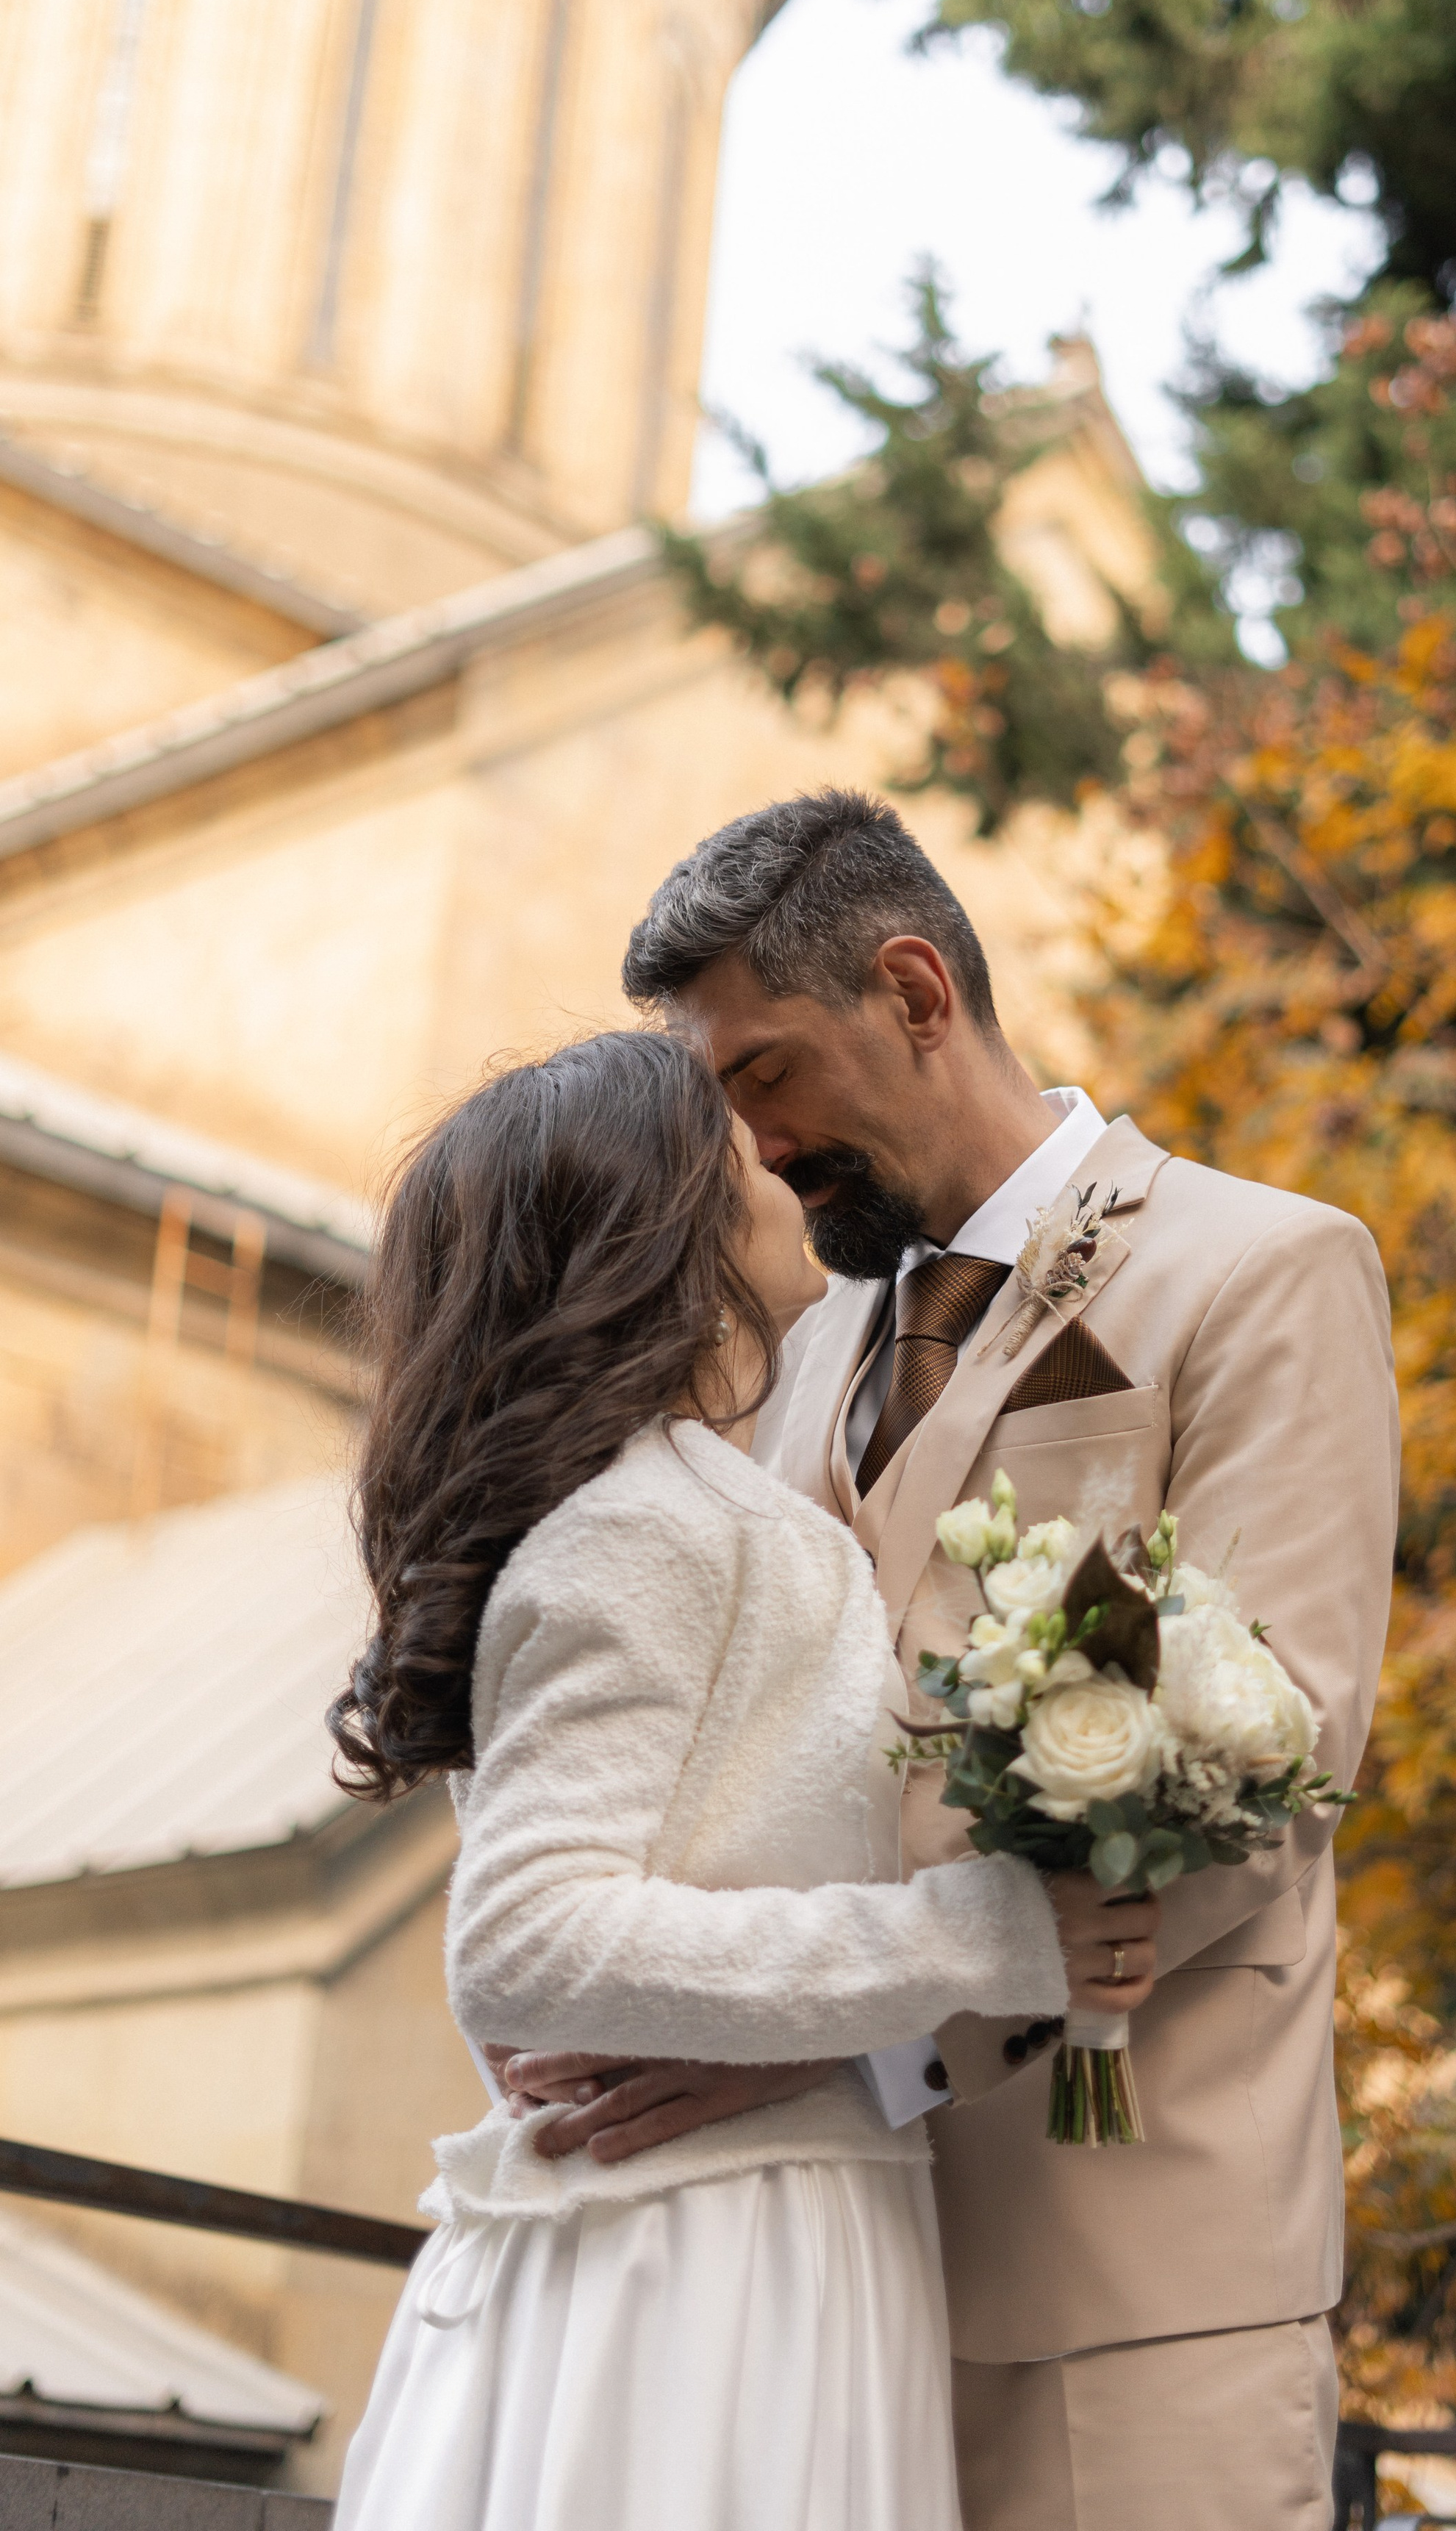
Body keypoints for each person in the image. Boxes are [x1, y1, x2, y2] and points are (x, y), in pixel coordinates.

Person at [510, 791, 1400, 2531]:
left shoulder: (1262, 1271)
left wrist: (843, 2044)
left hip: (1133, 2276)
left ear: (915, 990)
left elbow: (1258, 1779)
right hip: (811, 2269)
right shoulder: (802, 1329)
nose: (751, 1150)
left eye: (765, 1076)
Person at [325, 1027, 1161, 2531]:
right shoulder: (651, 1525)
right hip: (691, 2265)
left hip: (771, 2222)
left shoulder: (709, 1502)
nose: (776, 1163)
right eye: (735, 1150)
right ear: (670, 1230)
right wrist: (990, 1935)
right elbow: (527, 1945)